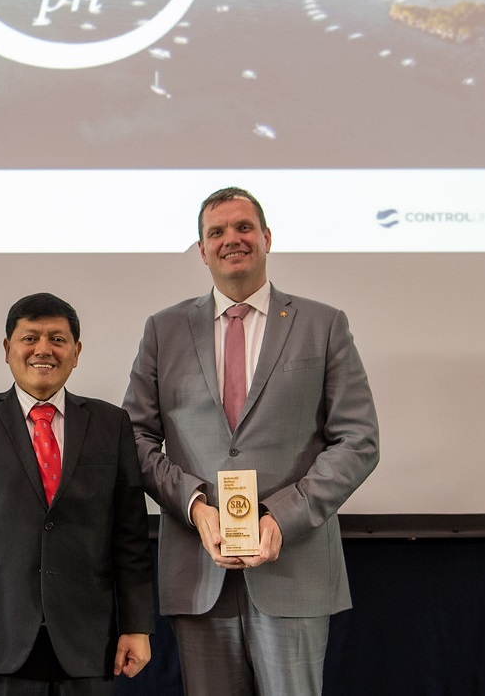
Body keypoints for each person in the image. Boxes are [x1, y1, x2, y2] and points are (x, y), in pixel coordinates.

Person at [123, 187, 380, 696]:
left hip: (294, 568)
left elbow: (358, 439)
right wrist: (196, 507)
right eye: (216, 232)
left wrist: (281, 517)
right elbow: (134, 438)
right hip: (200, 571)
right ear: (201, 250)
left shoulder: (322, 324)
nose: (231, 240)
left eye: (243, 228)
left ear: (266, 237)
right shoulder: (164, 329)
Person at [0, 292, 155, 695]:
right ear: (8, 349)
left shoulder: (110, 424)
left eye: (57, 339)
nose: (43, 350)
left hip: (89, 643)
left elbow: (130, 536)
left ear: (77, 351)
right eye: (30, 338)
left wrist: (137, 625)